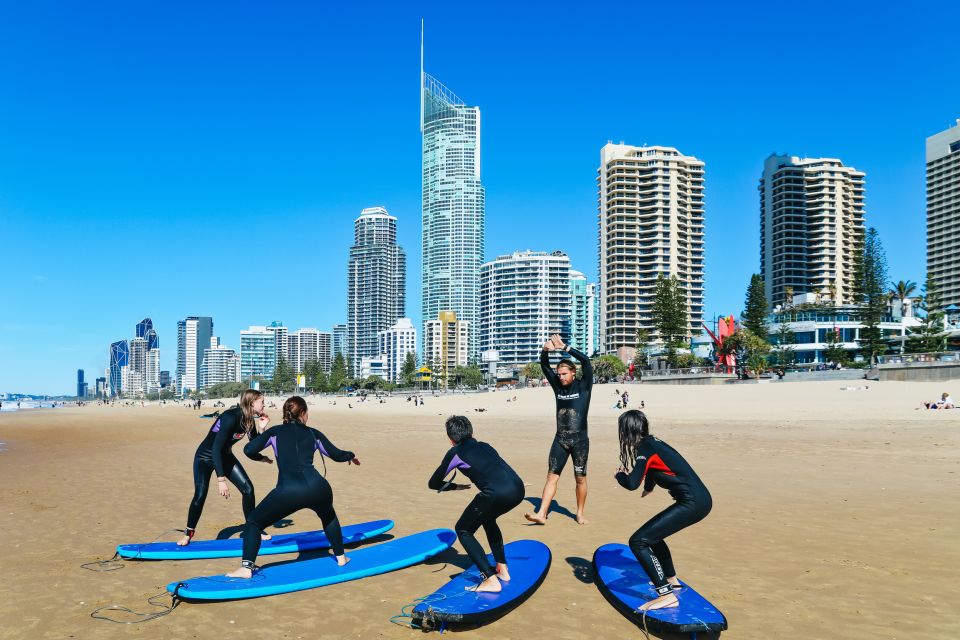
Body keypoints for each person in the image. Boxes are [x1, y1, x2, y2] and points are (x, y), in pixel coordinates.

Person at [227, 396, 360, 578]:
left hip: (289, 491)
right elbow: (336, 454)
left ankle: (246, 568)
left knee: (253, 522)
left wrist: (262, 430)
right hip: (318, 487)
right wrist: (350, 456)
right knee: (328, 517)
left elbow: (249, 450)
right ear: (303, 413)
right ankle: (341, 557)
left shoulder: (275, 433)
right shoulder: (313, 433)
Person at [614, 410, 712, 611]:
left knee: (638, 541)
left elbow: (632, 482)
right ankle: (671, 580)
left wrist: (619, 476)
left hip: (692, 503)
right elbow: (653, 467)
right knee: (653, 537)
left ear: (627, 431)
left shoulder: (645, 448)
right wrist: (649, 488)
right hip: (699, 500)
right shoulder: (652, 443)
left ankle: (666, 595)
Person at [428, 415, 524, 593]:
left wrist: (454, 486)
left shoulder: (455, 453)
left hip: (496, 494)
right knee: (488, 519)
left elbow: (433, 483)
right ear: (472, 432)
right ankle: (502, 570)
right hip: (518, 489)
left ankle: (490, 579)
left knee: (463, 529)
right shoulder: (485, 446)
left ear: (450, 439)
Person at [178, 389, 273, 546]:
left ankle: (251, 529)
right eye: (262, 401)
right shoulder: (230, 416)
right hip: (204, 458)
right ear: (251, 403)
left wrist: (262, 430)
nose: (264, 404)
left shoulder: (249, 420)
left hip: (225, 457)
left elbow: (253, 447)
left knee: (248, 489)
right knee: (200, 495)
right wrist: (221, 479)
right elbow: (216, 448)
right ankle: (188, 534)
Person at [525, 333, 593, 525]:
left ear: (573, 373)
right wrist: (545, 350)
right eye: (559, 374)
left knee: (580, 479)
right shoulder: (558, 387)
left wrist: (565, 348)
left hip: (580, 441)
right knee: (551, 476)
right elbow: (544, 366)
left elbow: (586, 361)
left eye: (564, 374)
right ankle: (541, 514)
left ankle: (579, 514)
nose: (561, 377)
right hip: (560, 440)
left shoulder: (584, 386)